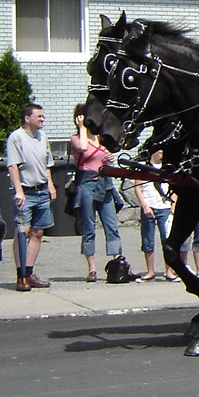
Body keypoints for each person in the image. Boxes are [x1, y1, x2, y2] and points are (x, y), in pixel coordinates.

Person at [71, 104, 123, 282]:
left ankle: (118, 261)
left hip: (104, 183)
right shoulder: (76, 138)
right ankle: (92, 268)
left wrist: (110, 159)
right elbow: (82, 148)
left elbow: (108, 159)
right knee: (88, 226)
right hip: (87, 183)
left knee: (111, 224)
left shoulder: (101, 139)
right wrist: (81, 128)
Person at [6, 102, 54, 291]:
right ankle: (21, 276)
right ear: (27, 118)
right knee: (22, 231)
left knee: (38, 232)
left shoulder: (43, 137)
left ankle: (29, 271)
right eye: (39, 116)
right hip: (26, 191)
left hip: (42, 191)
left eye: (43, 116)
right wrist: (19, 191)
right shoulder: (16, 137)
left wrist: (50, 184)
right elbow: (12, 166)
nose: (42, 119)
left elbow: (47, 164)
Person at [135, 149, 175, 280]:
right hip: (149, 206)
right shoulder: (143, 167)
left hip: (165, 207)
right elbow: (138, 188)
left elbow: (175, 187)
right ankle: (150, 271)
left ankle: (169, 271)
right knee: (147, 240)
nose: (162, 152)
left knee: (167, 240)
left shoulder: (168, 167)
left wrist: (173, 204)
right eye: (159, 150)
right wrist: (144, 206)